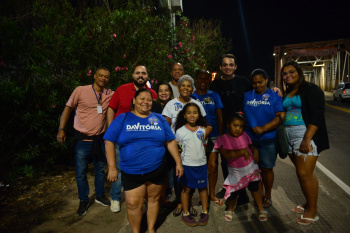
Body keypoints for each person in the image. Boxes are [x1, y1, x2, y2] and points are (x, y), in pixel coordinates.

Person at [104, 89, 184, 233]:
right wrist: (112, 167)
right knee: (133, 204)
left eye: (149, 100)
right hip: (131, 171)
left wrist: (178, 162)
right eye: (142, 99)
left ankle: (151, 228)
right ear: (134, 100)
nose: (145, 102)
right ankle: (136, 231)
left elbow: (170, 141)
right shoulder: (123, 118)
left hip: (157, 169)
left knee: (153, 199)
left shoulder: (158, 119)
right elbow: (109, 141)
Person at [56, 68, 113, 216]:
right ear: (94, 76)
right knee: (81, 173)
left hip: (100, 139)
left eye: (106, 77)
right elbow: (68, 109)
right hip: (82, 140)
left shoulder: (109, 94)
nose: (103, 78)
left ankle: (100, 195)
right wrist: (61, 129)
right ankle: (83, 200)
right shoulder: (80, 90)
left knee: (100, 170)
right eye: (101, 75)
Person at [281, 61, 329, 225]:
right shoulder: (288, 91)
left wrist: (307, 138)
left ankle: (312, 211)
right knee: (305, 173)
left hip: (303, 134)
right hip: (288, 134)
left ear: (299, 72)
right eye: (285, 74)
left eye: (291, 72)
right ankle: (309, 203)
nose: (288, 76)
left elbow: (317, 114)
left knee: (303, 174)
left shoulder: (311, 89)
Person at [106, 65, 157, 213]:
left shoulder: (152, 93)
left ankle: (144, 198)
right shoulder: (122, 89)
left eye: (143, 73)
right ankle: (115, 198)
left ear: (147, 76)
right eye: (138, 73)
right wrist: (111, 129)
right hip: (121, 138)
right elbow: (111, 108)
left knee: (144, 168)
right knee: (120, 169)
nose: (140, 75)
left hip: (143, 139)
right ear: (133, 75)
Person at [162, 74, 207, 217]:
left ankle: (189, 204)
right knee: (179, 176)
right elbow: (166, 126)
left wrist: (203, 136)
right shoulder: (171, 104)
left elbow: (205, 125)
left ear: (192, 88)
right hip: (176, 146)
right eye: (183, 85)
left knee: (190, 176)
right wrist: (172, 143)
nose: (185, 88)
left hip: (191, 146)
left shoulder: (197, 103)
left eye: (188, 85)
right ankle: (180, 203)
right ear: (178, 87)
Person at [209, 54, 252, 202]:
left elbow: (258, 91)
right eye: (225, 65)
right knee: (226, 161)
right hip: (223, 129)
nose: (228, 67)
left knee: (241, 160)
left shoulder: (244, 82)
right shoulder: (214, 84)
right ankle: (229, 187)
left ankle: (243, 191)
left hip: (240, 128)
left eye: (231, 64)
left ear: (235, 67)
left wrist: (275, 90)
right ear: (221, 67)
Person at [243, 69, 285, 208]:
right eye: (254, 83)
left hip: (268, 139)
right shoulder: (247, 95)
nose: (257, 85)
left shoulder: (274, 95)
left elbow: (280, 116)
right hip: (250, 140)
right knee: (254, 169)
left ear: (266, 79)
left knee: (266, 169)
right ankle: (258, 195)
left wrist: (263, 128)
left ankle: (268, 195)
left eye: (260, 82)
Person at [214, 112, 267, 222]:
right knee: (233, 193)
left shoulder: (245, 135)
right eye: (235, 125)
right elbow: (226, 155)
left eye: (241, 126)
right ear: (228, 124)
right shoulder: (222, 139)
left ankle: (260, 208)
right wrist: (242, 151)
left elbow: (251, 146)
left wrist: (255, 151)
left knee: (255, 188)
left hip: (251, 169)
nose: (238, 129)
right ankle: (231, 209)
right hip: (236, 172)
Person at [174, 103, 212, 226]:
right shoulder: (179, 131)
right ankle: (185, 214)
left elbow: (204, 146)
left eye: (195, 112)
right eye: (189, 112)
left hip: (201, 164)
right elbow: (178, 149)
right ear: (184, 115)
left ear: (199, 115)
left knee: (203, 188)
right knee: (186, 189)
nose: (192, 115)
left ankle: (205, 212)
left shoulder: (202, 130)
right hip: (186, 165)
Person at [191, 70, 225, 208]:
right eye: (200, 79)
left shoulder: (214, 95)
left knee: (213, 165)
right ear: (196, 80)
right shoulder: (190, 97)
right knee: (200, 166)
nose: (203, 81)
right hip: (196, 136)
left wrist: (222, 136)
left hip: (214, 134)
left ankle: (212, 194)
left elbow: (220, 117)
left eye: (206, 79)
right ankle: (202, 194)